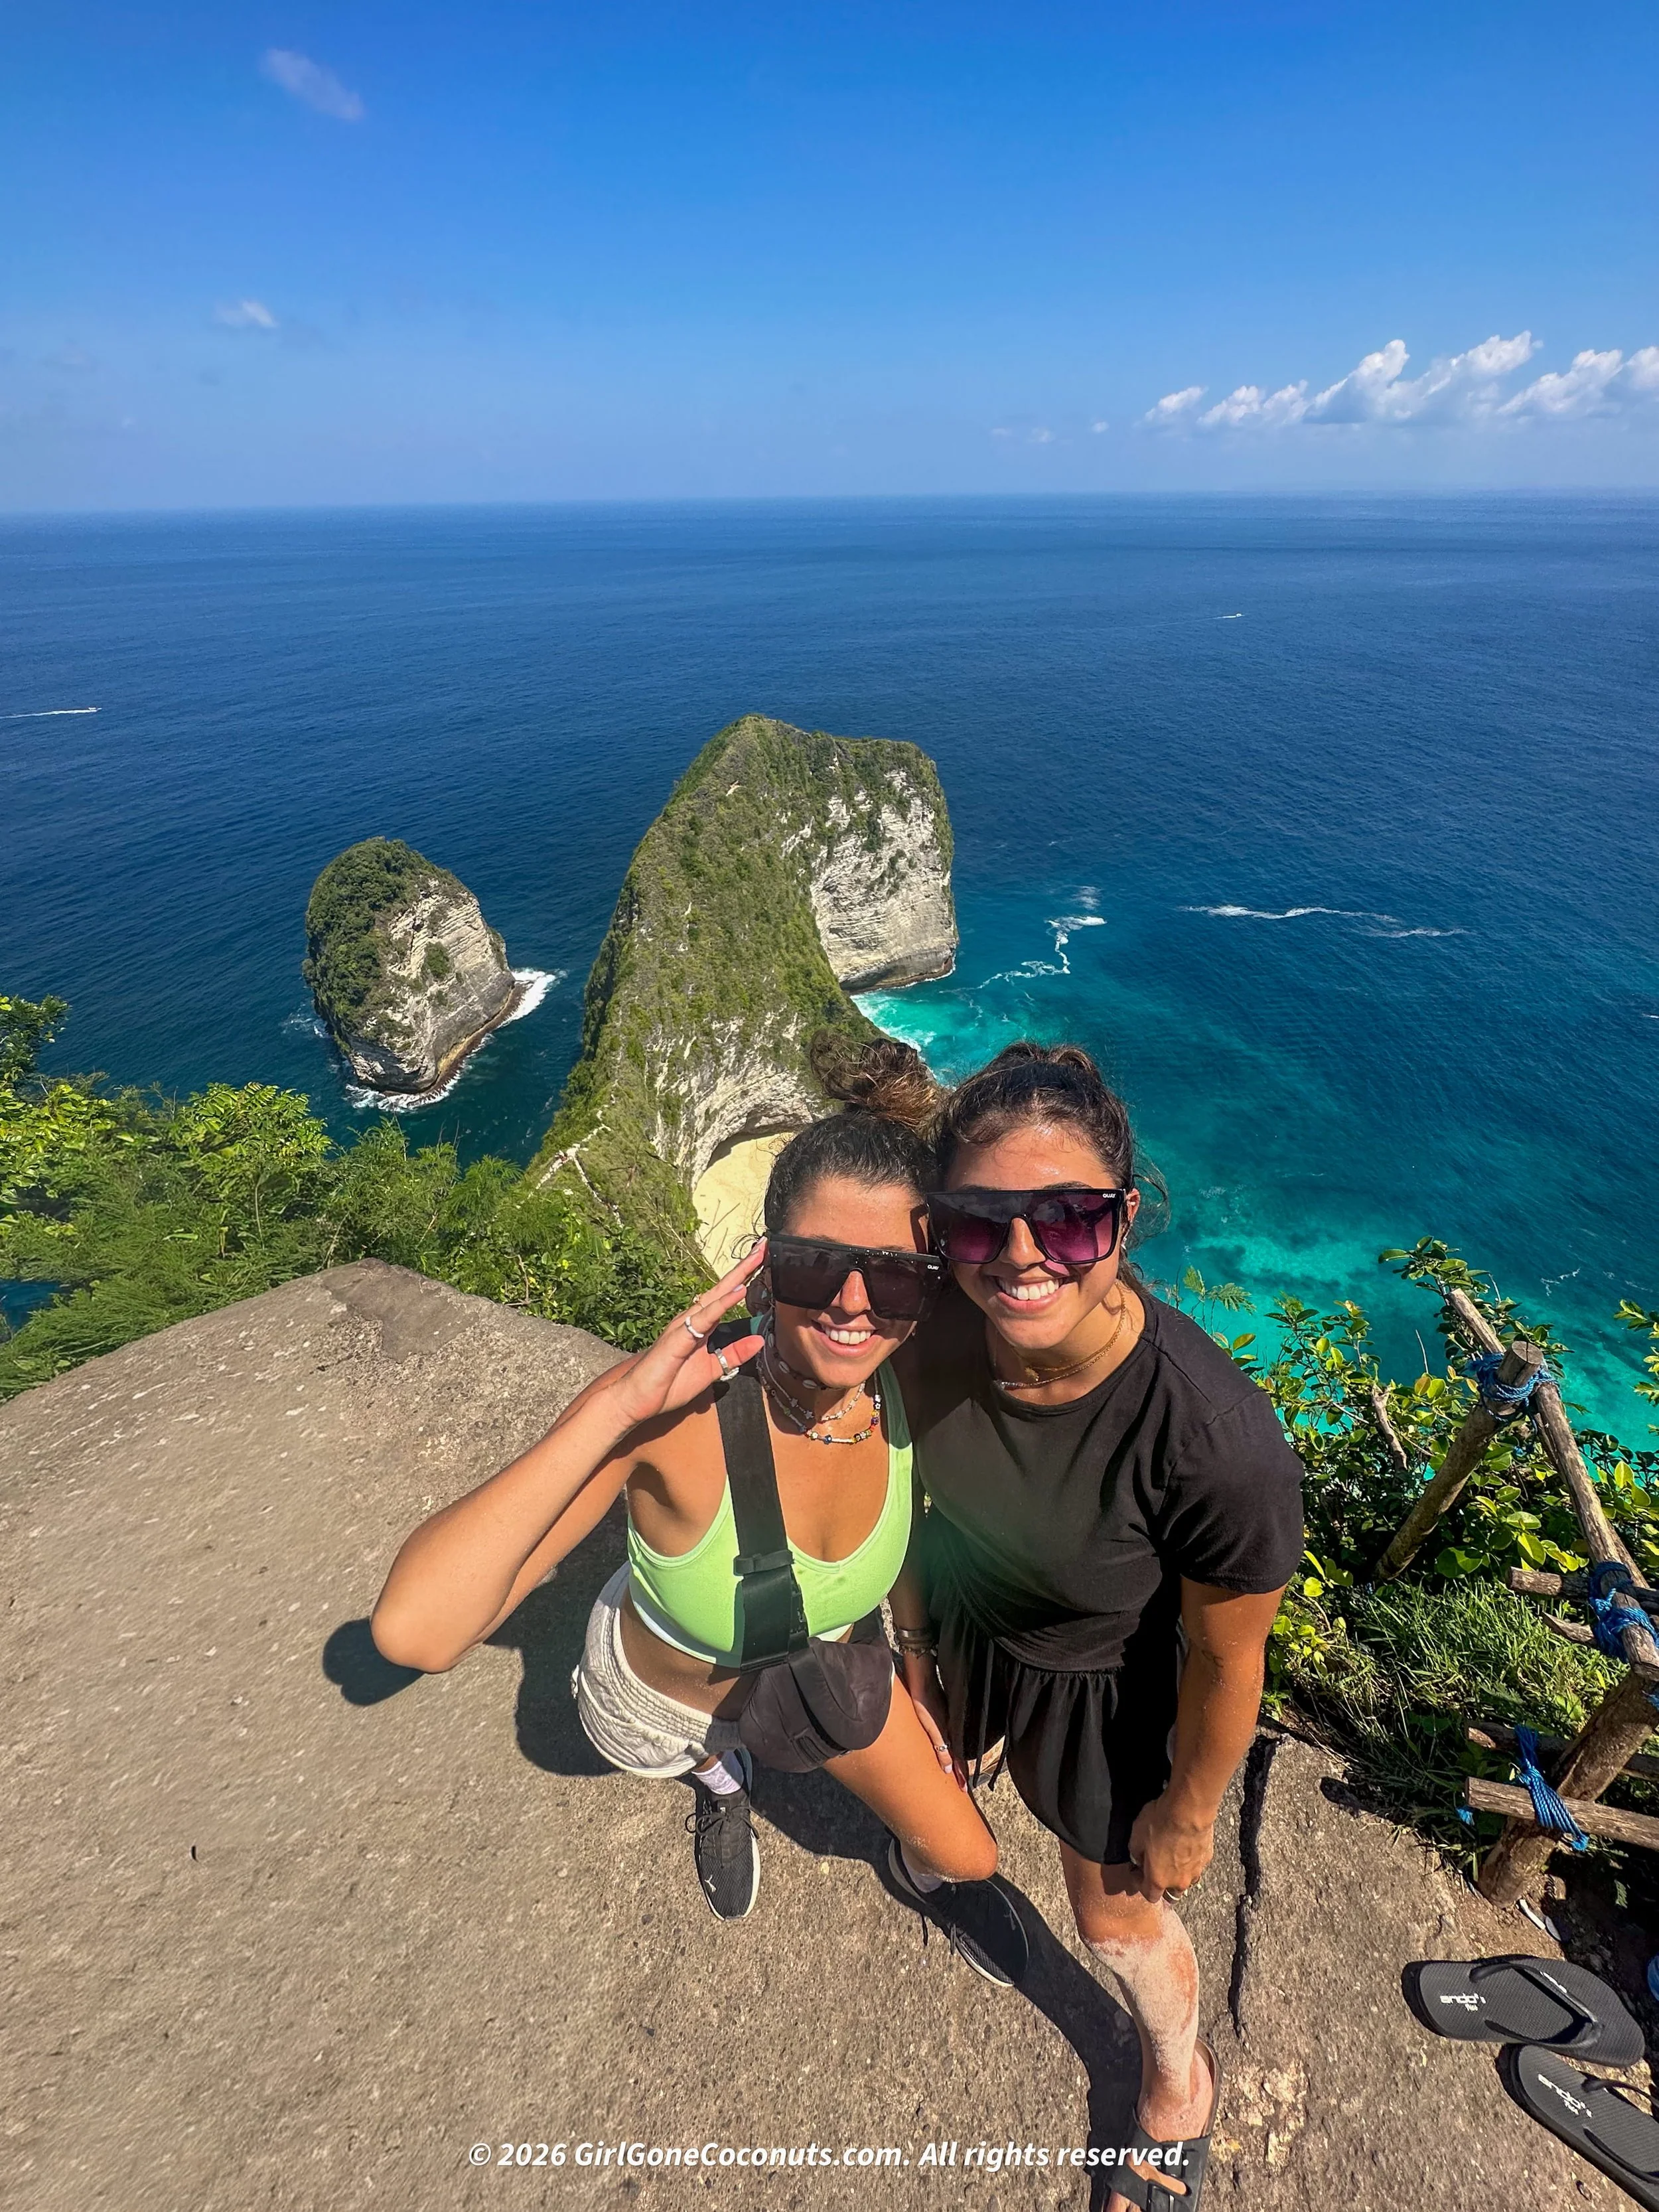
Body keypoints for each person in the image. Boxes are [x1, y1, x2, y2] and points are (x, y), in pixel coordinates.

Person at [370, 1041, 1028, 1986]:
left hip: (819, 1675)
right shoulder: (678, 1418)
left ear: (926, 1289)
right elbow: (415, 1633)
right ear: (764, 1264)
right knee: (708, 1760)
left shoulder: (903, 1386)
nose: (851, 1305)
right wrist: (613, 1409)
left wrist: (914, 1662)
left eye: (891, 1275)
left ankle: (905, 1867)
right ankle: (720, 1784)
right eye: (815, 1266)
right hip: (663, 1703)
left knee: (968, 1855)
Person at [890, 1043, 1303, 2211]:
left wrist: (1188, 1809)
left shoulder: (1213, 1440)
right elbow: (910, 1500)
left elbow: (1226, 1654)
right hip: (970, 1623)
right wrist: (918, 1657)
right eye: (979, 1225)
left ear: (1123, 1217)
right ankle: (942, 1849)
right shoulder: (932, 1336)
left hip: (1101, 1688)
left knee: (1116, 1919)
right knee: (935, 1793)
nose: (1022, 1256)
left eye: (1068, 1220)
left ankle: (1178, 2082)